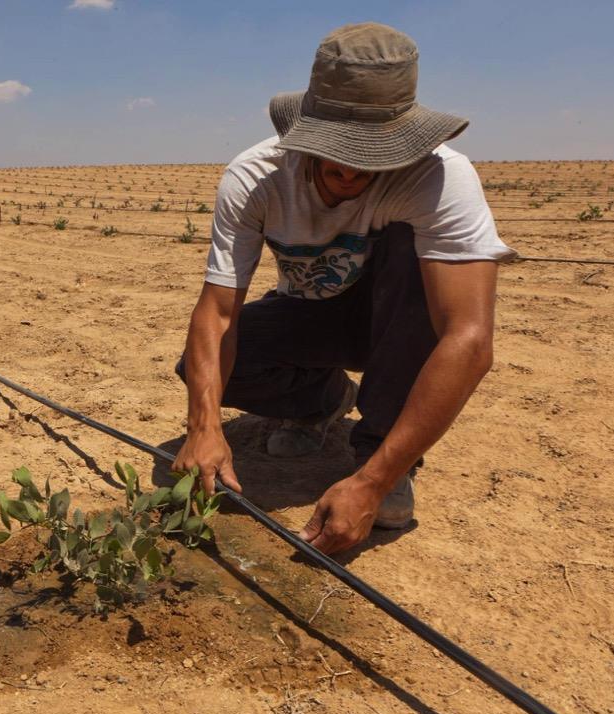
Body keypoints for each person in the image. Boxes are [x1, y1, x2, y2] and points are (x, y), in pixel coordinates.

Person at [172, 22, 515, 555]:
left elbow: (467, 339)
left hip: (403, 322)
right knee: (208, 368)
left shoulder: (440, 179)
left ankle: (383, 453)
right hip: (315, 311)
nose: (349, 169)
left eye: (372, 154)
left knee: (410, 255)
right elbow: (217, 315)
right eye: (333, 149)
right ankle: (321, 404)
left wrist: (373, 482)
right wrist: (202, 425)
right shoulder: (256, 177)